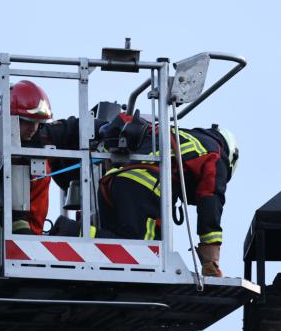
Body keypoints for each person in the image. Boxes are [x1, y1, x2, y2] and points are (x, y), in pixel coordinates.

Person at [96, 118, 239, 277]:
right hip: (144, 189)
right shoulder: (216, 153)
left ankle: (78, 232)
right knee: (146, 258)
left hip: (111, 184)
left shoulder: (179, 136)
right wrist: (210, 261)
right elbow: (210, 202)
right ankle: (70, 230)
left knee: (112, 248)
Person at [8, 80, 54, 234]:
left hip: (34, 236)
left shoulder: (41, 148)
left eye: (37, 122)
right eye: (27, 121)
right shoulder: (7, 157)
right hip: (20, 235)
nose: (33, 128)